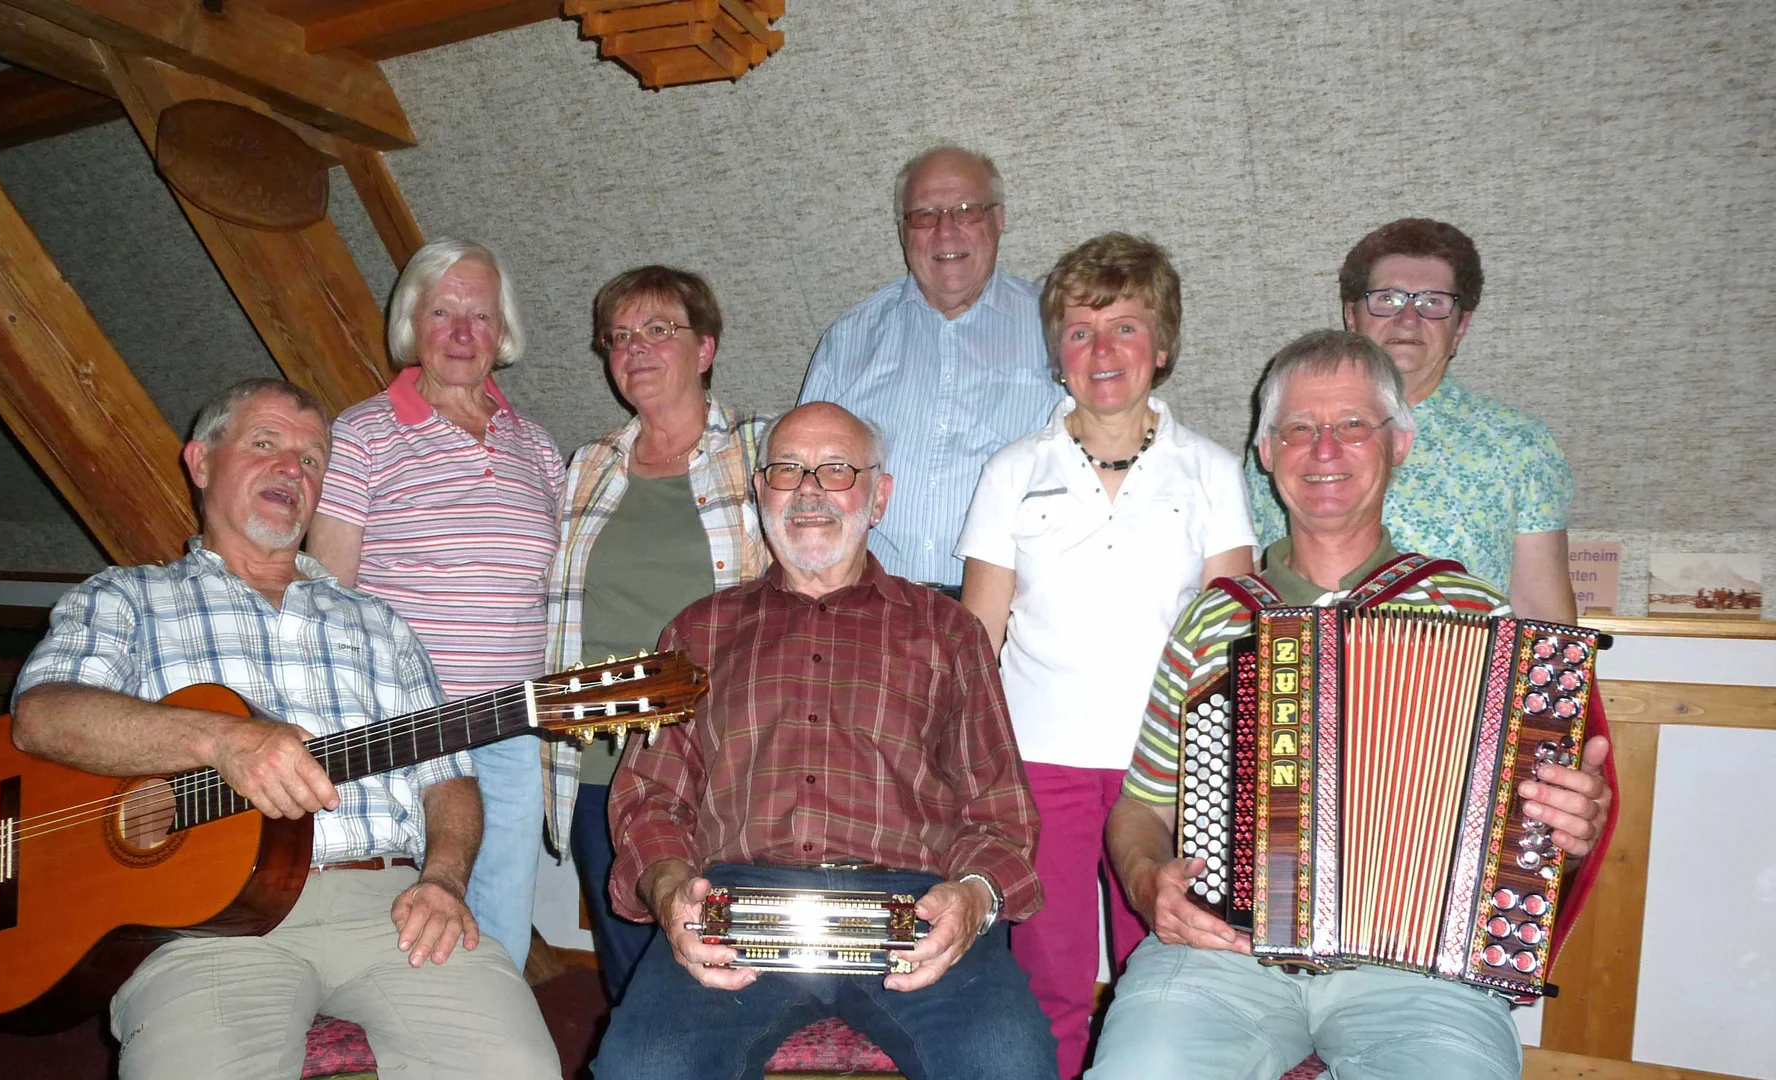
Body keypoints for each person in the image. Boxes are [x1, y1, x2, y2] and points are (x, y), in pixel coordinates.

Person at [1089, 331, 1616, 1080]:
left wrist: (1572, 817)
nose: (1323, 450)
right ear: (1266, 452)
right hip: (1223, 955)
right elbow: (1139, 810)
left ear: (1398, 443)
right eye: (1299, 428)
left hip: (1422, 972)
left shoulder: (1481, 617)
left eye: (1351, 426)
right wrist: (1148, 883)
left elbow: (1541, 834)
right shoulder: (1214, 617)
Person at [10, 378, 561, 1080]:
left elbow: (447, 775)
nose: (291, 470)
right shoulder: (126, 599)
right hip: (199, 926)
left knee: (516, 1067)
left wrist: (445, 880)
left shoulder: (380, 624)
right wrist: (220, 739)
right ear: (201, 463)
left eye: (312, 458)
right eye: (265, 444)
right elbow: (39, 716)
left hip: (388, 905)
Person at [589, 402, 1056, 1080]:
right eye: (787, 470)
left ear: (879, 496)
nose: (808, 489)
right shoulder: (697, 632)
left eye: (836, 470)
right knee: (642, 1065)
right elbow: (650, 796)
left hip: (912, 907)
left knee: (1008, 1064)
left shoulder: (948, 632)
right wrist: (668, 891)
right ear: (760, 491)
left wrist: (975, 896)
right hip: (736, 906)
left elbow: (1000, 811)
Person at [956, 233, 1256, 1079]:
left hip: (1167, 774)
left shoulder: (1211, 472)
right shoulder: (1013, 470)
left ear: (1161, 347)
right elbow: (977, 635)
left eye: (1124, 327)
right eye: (1081, 331)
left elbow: (1231, 641)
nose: (1102, 350)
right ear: (1058, 353)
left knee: (1156, 974)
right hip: (1037, 763)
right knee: (1045, 979)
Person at [307, 238, 563, 973]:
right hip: (409, 728)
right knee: (416, 915)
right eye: (441, 311)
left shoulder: (537, 446)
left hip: (514, 722)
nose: (460, 332)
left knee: (504, 907)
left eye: (480, 315)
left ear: (503, 331)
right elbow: (328, 598)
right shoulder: (361, 437)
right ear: (411, 324)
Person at [544, 265, 771, 1002]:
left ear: (705, 349)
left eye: (658, 331)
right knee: (631, 976)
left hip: (722, 765)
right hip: (597, 766)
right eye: (619, 338)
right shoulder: (590, 466)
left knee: (728, 969)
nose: (635, 349)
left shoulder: (763, 451)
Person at [1245, 218, 1576, 622]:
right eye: (1388, 299)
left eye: (1432, 303)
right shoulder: (1291, 438)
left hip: (1461, 678)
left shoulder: (1518, 444)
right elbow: (1256, 587)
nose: (1408, 319)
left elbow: (1544, 615)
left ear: (1462, 326)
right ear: (1352, 315)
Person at [797, 145, 1063, 594]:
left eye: (966, 210)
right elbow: (805, 487)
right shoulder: (848, 341)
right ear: (903, 231)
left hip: (1014, 614)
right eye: (924, 214)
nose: (945, 231)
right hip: (872, 609)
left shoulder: (1058, 330)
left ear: (999, 219)